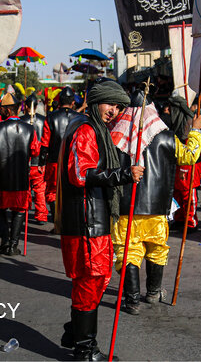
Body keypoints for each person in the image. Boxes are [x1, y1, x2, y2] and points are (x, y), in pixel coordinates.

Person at [57, 80, 143, 361]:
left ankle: (75, 332)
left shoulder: (92, 127)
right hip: (86, 222)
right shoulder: (85, 129)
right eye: (111, 104)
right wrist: (123, 175)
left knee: (97, 278)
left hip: (93, 218)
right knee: (90, 281)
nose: (114, 111)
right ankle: (85, 350)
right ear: (96, 102)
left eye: (118, 107)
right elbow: (81, 174)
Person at [109, 90, 201, 315]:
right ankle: (153, 291)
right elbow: (190, 156)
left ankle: (131, 300)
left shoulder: (114, 136)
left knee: (127, 252)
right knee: (157, 249)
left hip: (125, 209)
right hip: (157, 208)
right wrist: (197, 131)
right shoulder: (166, 137)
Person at [0, 92, 39, 255]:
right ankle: (13, 245)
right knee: (19, 211)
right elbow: (35, 151)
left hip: (3, 176)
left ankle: (5, 241)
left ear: (8, 110)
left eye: (1, 109)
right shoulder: (30, 128)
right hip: (21, 176)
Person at [39, 86, 78, 215]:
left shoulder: (51, 117)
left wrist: (41, 162)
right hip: (74, 162)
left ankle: (58, 222)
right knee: (72, 190)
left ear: (59, 102)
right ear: (73, 103)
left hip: (54, 161)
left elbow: (45, 142)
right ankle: (68, 221)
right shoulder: (80, 118)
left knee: (52, 192)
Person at [170, 96, 201, 232]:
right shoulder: (173, 121)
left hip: (189, 164)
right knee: (177, 194)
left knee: (189, 195)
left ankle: (190, 222)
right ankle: (179, 219)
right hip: (177, 164)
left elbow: (192, 149)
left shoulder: (190, 121)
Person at [20, 93, 48, 225]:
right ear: (36, 106)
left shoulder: (21, 121)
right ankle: (41, 215)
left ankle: (24, 211)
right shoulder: (44, 120)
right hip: (39, 163)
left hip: (27, 161)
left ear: (26, 106)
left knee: (26, 189)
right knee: (39, 190)